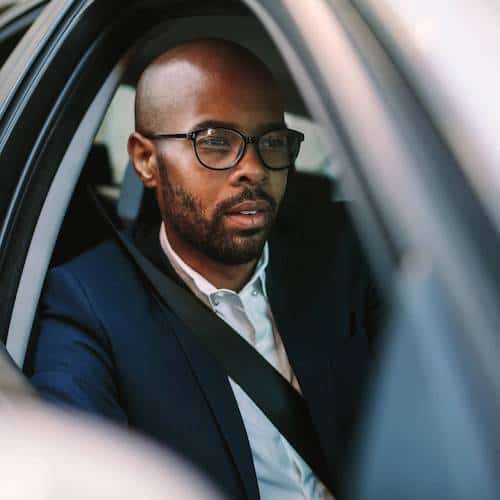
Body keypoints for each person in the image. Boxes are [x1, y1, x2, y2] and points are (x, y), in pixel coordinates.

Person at [30, 39, 380, 500]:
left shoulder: (342, 262)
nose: (254, 168)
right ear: (146, 161)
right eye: (215, 142)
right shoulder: (89, 303)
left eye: (272, 141)